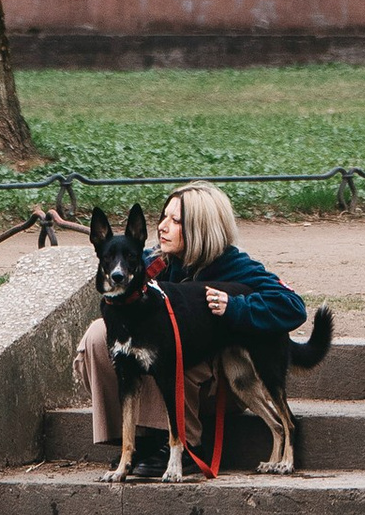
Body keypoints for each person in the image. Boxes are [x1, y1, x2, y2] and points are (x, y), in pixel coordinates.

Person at [73, 183, 311, 461]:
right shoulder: (153, 262)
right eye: (163, 217)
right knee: (98, 335)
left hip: (222, 378)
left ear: (201, 228)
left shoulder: (235, 265)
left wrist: (234, 306)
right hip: (168, 375)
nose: (163, 226)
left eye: (175, 221)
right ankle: (136, 440)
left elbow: (291, 305)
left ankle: (187, 445)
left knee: (172, 343)